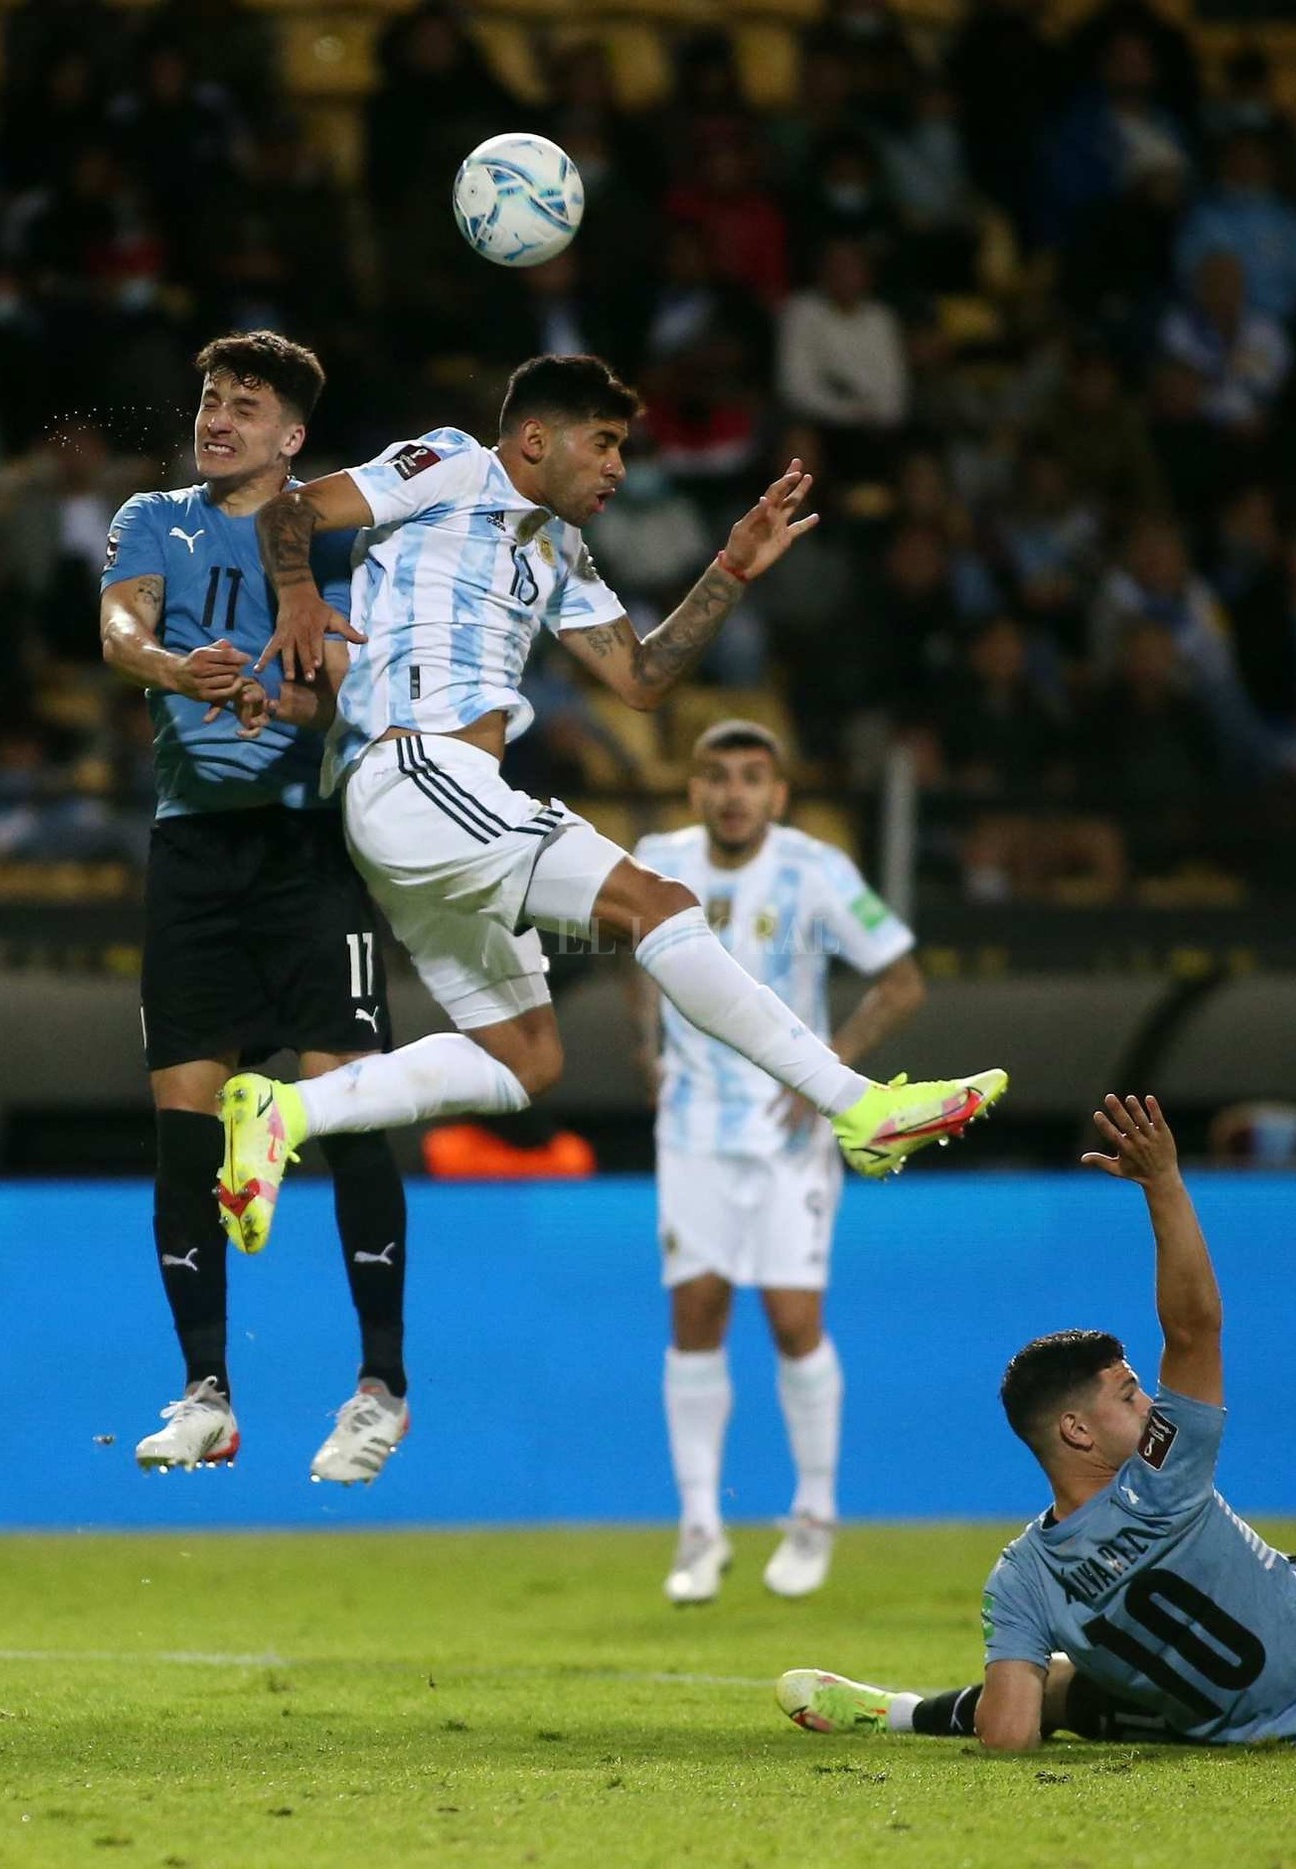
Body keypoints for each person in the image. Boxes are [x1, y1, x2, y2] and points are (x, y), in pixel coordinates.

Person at [215, 354, 1007, 1255]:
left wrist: (730, 569)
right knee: (658, 903)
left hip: (438, 803)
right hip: (418, 772)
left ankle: (284, 1112)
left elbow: (640, 677)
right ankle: (858, 1107)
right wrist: (298, 599)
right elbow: (289, 510)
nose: (617, 468)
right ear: (535, 438)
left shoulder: (558, 549)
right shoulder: (452, 464)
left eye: (621, 448)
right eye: (602, 443)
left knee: (526, 1058)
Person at [777, 1095, 1296, 1749]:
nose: (1150, 1405)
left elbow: (1009, 1737)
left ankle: (903, 1713)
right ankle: (914, 1708)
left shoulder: (1021, 1577)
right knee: (1101, 1676)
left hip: (1279, 1695)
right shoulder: (1163, 1473)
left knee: (1065, 1693)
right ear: (1076, 1430)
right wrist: (1162, 1182)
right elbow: (1193, 1328)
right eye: (1129, 1395)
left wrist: (1023, 1649)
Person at [99, 330, 412, 1486]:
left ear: (293, 436)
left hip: (305, 856)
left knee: (351, 1107)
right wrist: (175, 669)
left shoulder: (333, 541)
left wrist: (281, 703)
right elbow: (119, 627)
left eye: (245, 404)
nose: (218, 418)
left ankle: (380, 1387)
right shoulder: (152, 518)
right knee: (183, 1127)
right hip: (191, 858)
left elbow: (352, 696)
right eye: (210, 400)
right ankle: (206, 1396)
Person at [628, 720, 927, 1605]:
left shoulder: (814, 869)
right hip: (691, 1126)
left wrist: (830, 1068)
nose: (733, 793)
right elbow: (633, 959)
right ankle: (698, 1528)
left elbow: (902, 979)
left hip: (786, 1134)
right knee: (695, 1314)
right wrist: (646, 1047)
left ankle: (814, 1513)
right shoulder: (657, 861)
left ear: (779, 794)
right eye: (716, 776)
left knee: (793, 1321)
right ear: (693, 788)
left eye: (751, 777)